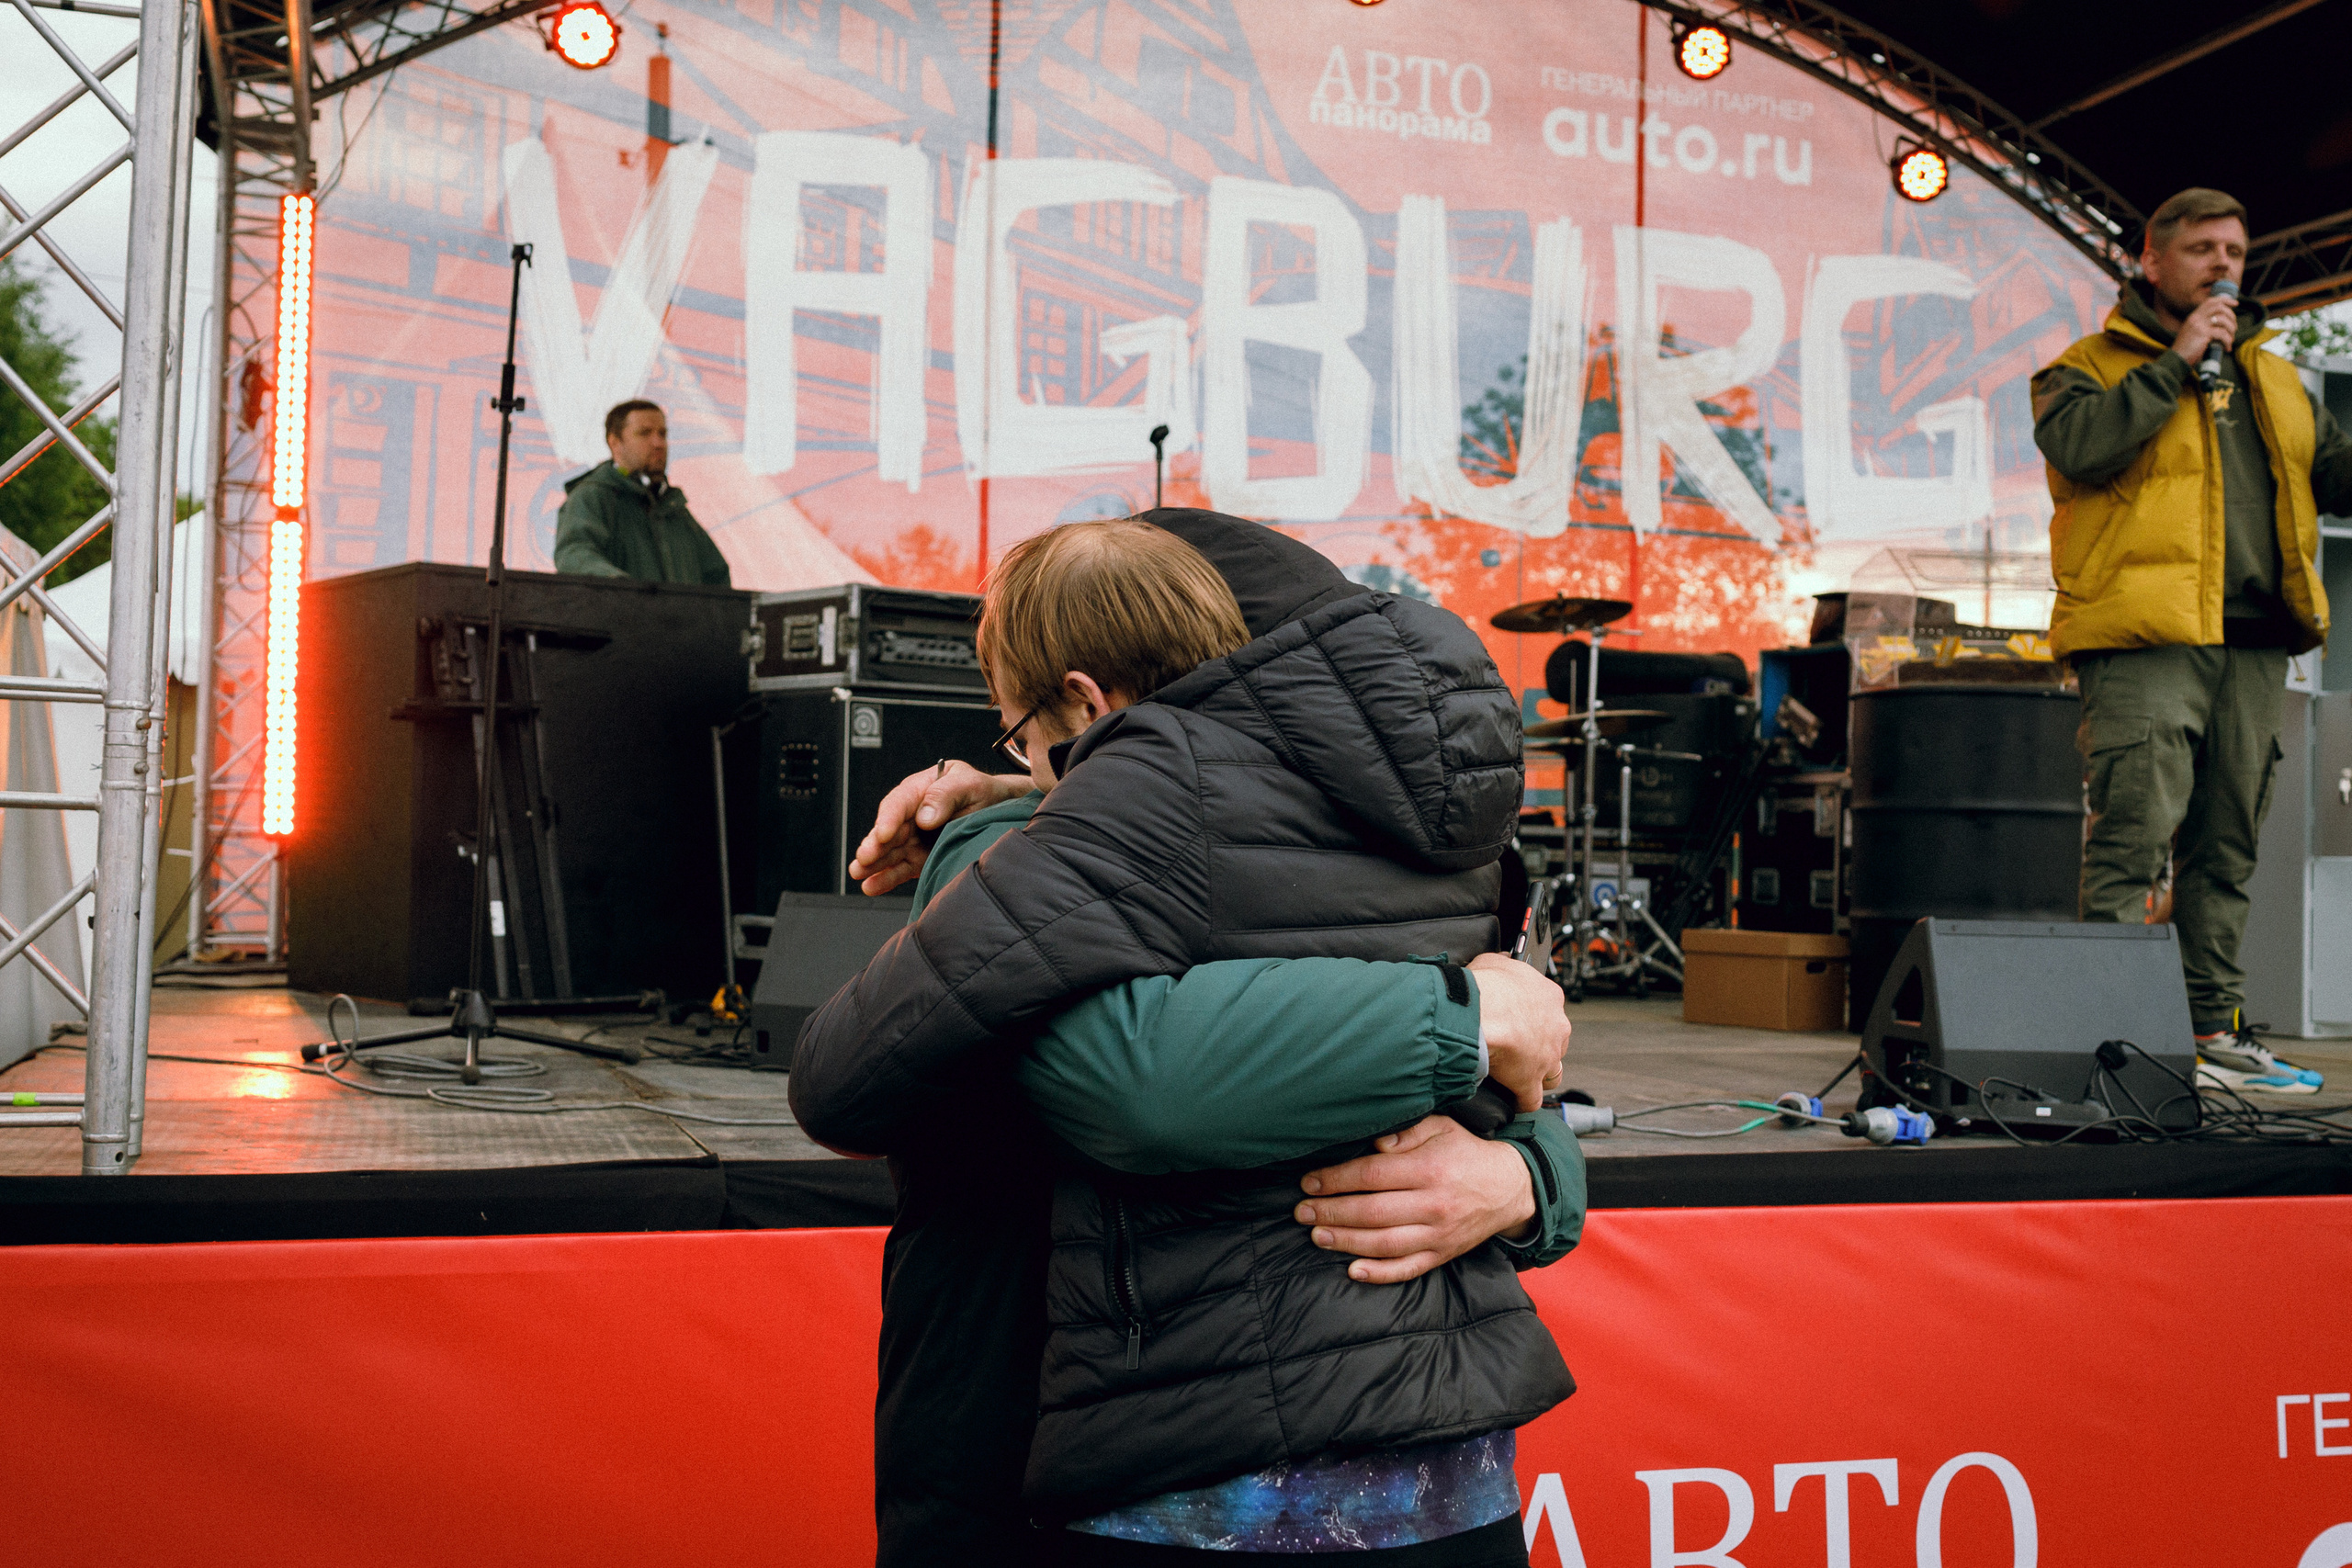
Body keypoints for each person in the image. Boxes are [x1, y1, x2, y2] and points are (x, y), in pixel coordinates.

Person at [803, 511, 1584, 1565]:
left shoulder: (1054, 843)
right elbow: (1527, 1082)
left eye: (1014, 731)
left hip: (1187, 1469)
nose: (1019, 763)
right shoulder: (1430, 827)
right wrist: (1524, 1152)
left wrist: (1514, 1153)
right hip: (1449, 1465)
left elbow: (1092, 1084)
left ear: (1084, 701)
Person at [2034, 186, 2352, 1093]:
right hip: (2145, 638)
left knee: (2226, 848)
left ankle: (2213, 1031)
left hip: (2252, 642)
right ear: (2151, 259)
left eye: (2236, 253)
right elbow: (2084, 450)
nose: (2224, 266)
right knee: (2132, 836)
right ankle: (2105, 1041)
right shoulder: (2082, 367)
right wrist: (2175, 361)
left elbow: (2332, 472)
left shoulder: (2274, 379)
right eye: (2205, 249)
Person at [551, 400, 731, 585]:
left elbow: (717, 576)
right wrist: (624, 590)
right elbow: (574, 555)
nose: (658, 443)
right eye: (644, 433)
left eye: (662, 434)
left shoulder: (674, 509)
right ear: (615, 443)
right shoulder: (593, 496)